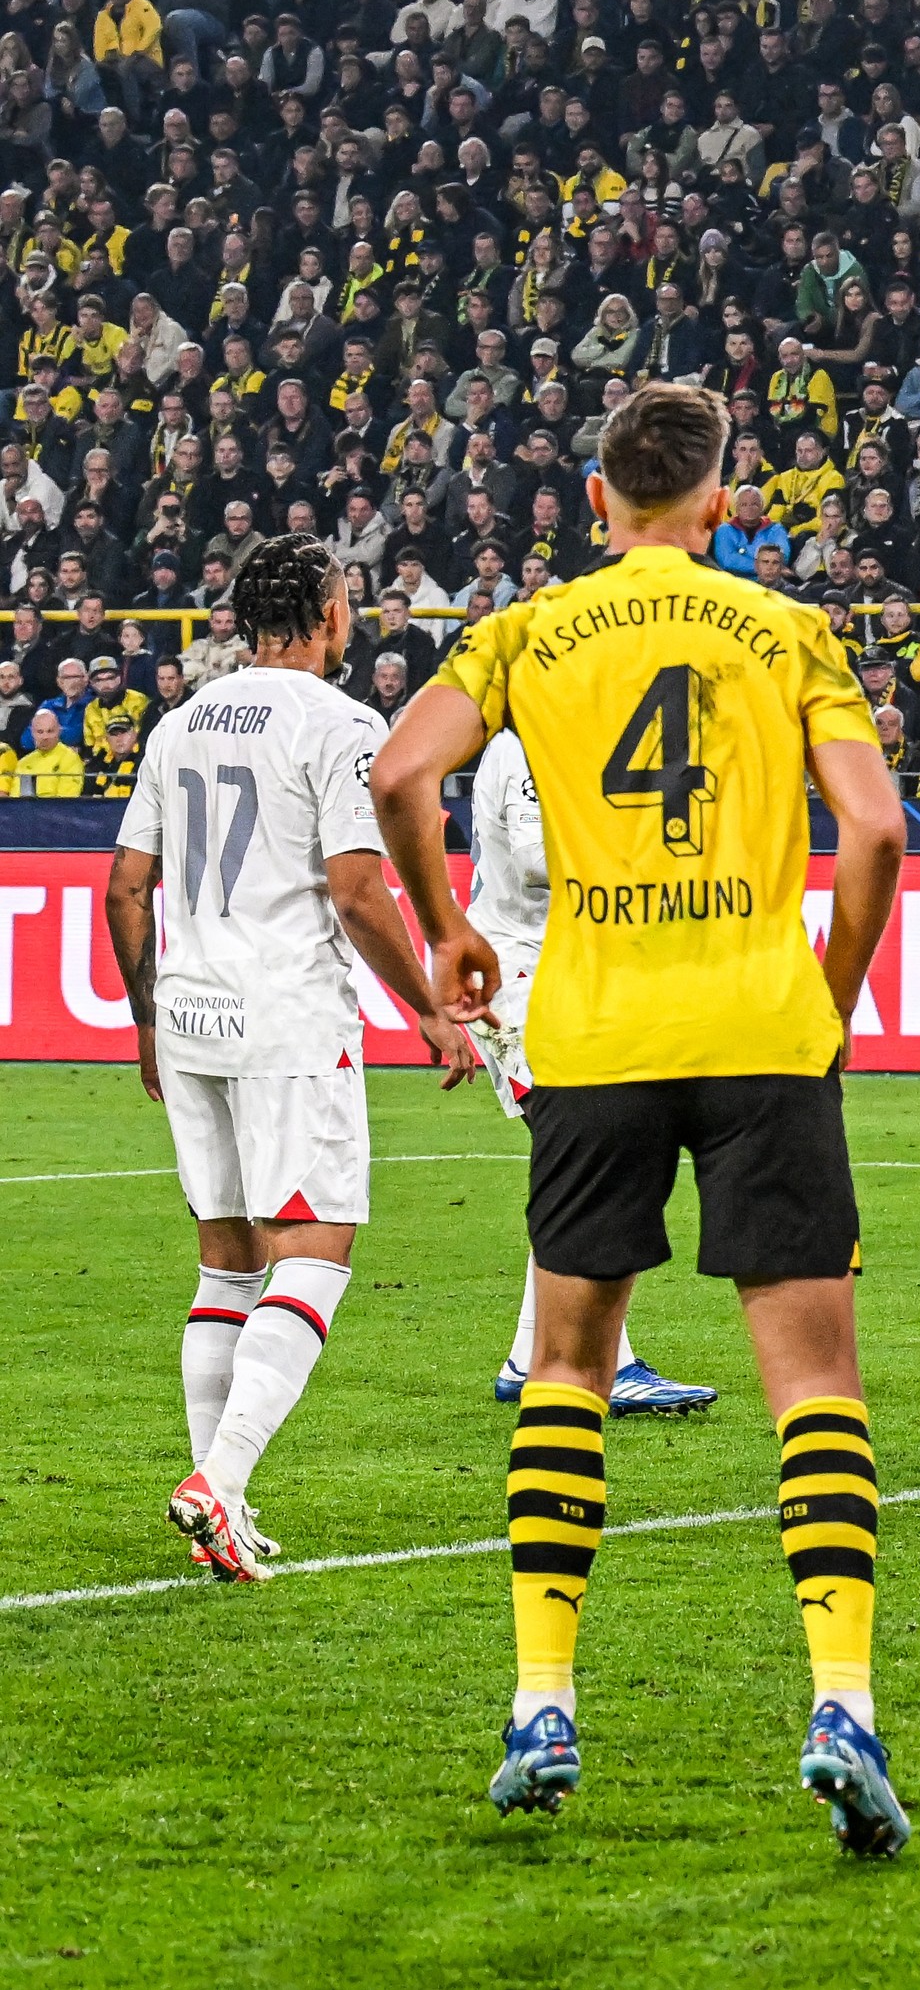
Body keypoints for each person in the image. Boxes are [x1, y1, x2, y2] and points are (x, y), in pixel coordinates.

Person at [374, 384, 916, 1854]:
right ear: (722, 504)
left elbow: (398, 772)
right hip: (757, 1024)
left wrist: (445, 934)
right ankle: (842, 1705)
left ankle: (541, 1696)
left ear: (596, 502)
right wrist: (834, 990)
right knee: (814, 1383)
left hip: (596, 1033)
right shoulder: (789, 630)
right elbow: (871, 828)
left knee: (563, 1362)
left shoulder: (526, 630)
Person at [103, 534, 480, 1582]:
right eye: (348, 600)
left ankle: (221, 1491)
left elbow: (124, 887)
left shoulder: (179, 725)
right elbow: (359, 890)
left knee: (226, 1259)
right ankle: (217, 1480)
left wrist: (145, 1018)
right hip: (286, 1014)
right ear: (324, 611)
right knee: (315, 1249)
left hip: (190, 1014)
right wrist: (433, 1011)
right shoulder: (343, 724)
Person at [471, 727, 718, 1416]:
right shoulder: (526, 742)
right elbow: (533, 857)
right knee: (595, 1152)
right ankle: (608, 1361)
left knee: (584, 1157)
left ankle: (530, 1356)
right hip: (520, 975)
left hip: (568, 976)